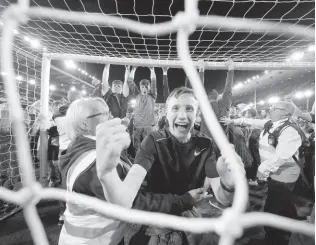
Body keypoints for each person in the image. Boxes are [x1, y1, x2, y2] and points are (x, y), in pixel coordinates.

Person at [96, 86, 245, 244]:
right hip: (153, 220)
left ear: (197, 114)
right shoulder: (153, 142)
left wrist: (228, 183)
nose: (182, 116)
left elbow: (223, 198)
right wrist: (106, 174)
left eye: (189, 108)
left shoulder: (205, 144)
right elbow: (125, 199)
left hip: (186, 220)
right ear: (166, 114)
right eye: (175, 108)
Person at [58, 97, 206, 245]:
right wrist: (184, 200)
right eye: (103, 113)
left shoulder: (90, 148)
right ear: (85, 124)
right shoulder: (93, 161)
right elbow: (137, 202)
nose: (112, 117)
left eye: (109, 112)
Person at [221, 101, 303, 245]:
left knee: (274, 208)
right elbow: (252, 121)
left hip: (284, 176)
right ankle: (284, 231)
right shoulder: (273, 123)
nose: (270, 110)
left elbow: (281, 156)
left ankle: (274, 240)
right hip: (276, 173)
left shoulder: (290, 131)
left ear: (285, 113)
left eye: (275, 108)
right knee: (284, 203)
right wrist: (233, 120)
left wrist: (262, 170)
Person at [200, 59, 235, 137]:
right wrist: (231, 68)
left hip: (205, 144)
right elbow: (228, 88)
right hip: (221, 145)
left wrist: (201, 69)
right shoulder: (223, 105)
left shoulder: (204, 106)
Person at [131, 66, 157, 152]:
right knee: (136, 147)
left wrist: (152, 70)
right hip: (137, 125)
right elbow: (130, 82)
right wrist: (133, 69)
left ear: (149, 87)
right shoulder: (137, 95)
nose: (144, 88)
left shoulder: (152, 96)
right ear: (140, 87)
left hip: (148, 126)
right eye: (142, 86)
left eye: (146, 86)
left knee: (148, 146)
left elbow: (154, 83)